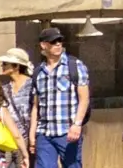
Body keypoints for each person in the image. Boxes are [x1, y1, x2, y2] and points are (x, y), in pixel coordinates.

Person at [30, 28, 91, 168]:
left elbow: (84, 99)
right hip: (44, 132)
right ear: (43, 45)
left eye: (60, 41)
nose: (58, 44)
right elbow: (35, 106)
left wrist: (77, 124)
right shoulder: (38, 72)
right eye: (53, 41)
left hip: (67, 131)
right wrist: (32, 134)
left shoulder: (75, 66)